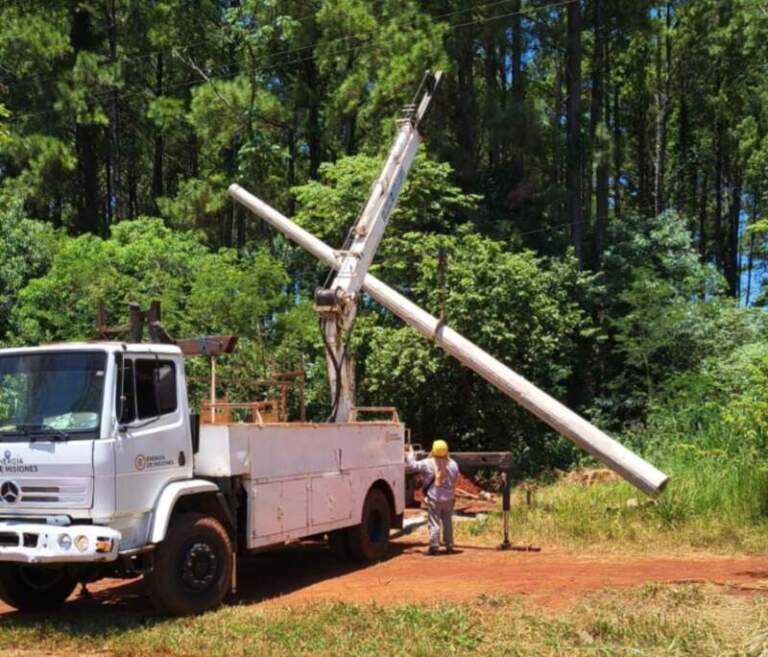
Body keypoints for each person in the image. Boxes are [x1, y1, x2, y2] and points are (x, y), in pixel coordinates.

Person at [405, 439, 460, 555]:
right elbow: (455, 480)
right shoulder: (453, 464)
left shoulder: (428, 463)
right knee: (447, 522)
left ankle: (434, 547)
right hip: (449, 498)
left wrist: (411, 453)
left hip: (435, 498)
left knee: (434, 522)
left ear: (433, 450)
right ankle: (449, 546)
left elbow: (411, 466)